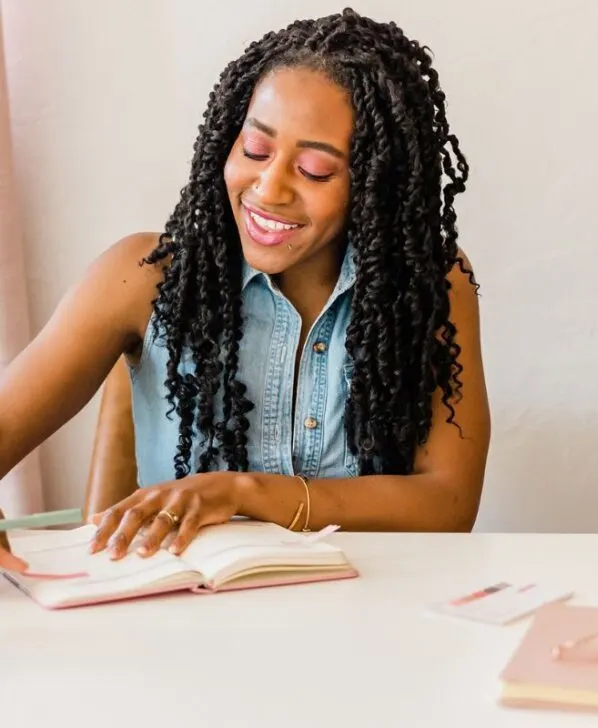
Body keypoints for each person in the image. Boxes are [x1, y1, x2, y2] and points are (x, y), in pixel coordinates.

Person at [0, 8, 490, 570]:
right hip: (183, 619)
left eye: (314, 170)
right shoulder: (141, 276)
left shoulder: (428, 284)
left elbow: (447, 502)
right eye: (255, 151)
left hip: (368, 618)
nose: (269, 187)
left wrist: (241, 492)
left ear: (377, 183)